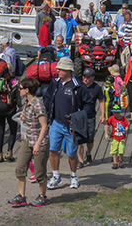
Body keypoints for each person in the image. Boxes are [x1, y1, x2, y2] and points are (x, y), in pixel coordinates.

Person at [44, 57, 92, 190]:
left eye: (60, 69)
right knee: (53, 149)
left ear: (68, 70)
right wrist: (47, 113)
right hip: (55, 123)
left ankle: (74, 176)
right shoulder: (55, 83)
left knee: (71, 153)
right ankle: (56, 176)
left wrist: (77, 117)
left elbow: (89, 105)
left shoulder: (79, 86)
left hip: (71, 126)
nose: (57, 70)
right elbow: (47, 98)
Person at [9, 78, 50, 208]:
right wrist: (23, 116)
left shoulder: (38, 105)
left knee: (39, 172)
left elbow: (44, 126)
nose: (19, 91)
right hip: (27, 140)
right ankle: (21, 196)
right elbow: (29, 117)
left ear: (27, 90)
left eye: (20, 88)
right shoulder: (27, 103)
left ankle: (42, 196)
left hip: (39, 142)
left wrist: (38, 144)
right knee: (20, 168)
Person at [77, 68, 104, 167]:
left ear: (93, 78)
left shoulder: (97, 88)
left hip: (90, 115)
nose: (85, 79)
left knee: (90, 139)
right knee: (79, 140)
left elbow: (101, 101)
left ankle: (88, 153)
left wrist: (103, 114)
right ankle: (80, 160)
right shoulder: (79, 86)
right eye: (84, 76)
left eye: (88, 77)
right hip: (79, 116)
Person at [105, 104, 129, 169]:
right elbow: (107, 124)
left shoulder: (123, 119)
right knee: (114, 150)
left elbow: (127, 125)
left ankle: (120, 159)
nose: (116, 114)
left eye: (117, 112)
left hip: (122, 137)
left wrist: (125, 131)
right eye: (114, 112)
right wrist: (106, 133)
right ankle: (115, 162)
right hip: (114, 137)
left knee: (121, 150)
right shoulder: (111, 118)